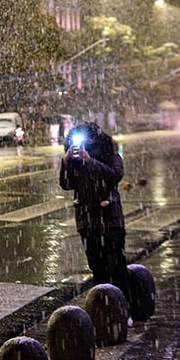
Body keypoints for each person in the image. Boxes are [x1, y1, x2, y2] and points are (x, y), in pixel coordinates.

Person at [59, 121, 131, 302]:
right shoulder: (75, 159)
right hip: (87, 221)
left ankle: (123, 307)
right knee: (97, 267)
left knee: (116, 266)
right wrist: (66, 162)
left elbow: (114, 176)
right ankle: (102, 307)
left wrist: (90, 161)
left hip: (110, 219)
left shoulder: (110, 154)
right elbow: (66, 184)